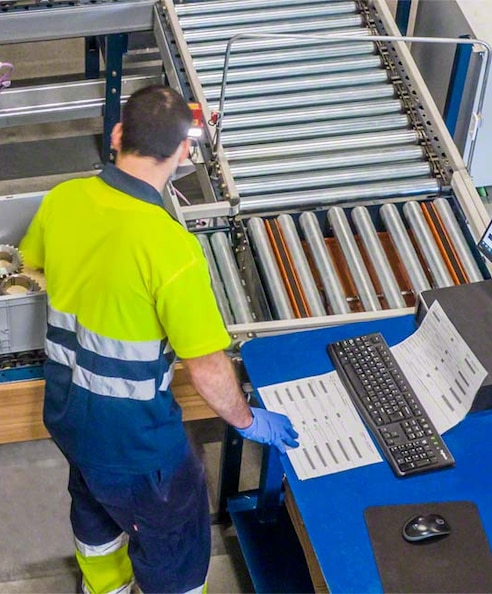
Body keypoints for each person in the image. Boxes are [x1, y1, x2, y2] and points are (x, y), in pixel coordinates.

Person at [19, 85, 300, 594]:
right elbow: (207, 366)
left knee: (94, 511)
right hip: (138, 447)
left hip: (67, 415)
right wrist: (245, 417)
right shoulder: (172, 249)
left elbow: (32, 263)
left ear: (118, 135)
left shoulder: (63, 199)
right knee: (176, 554)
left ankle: (104, 589)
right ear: (184, 152)